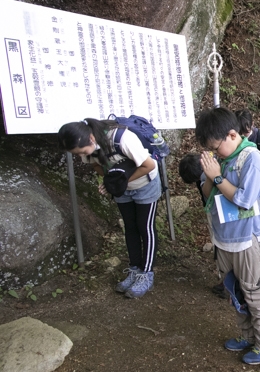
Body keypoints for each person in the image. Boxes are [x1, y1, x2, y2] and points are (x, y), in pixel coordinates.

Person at [196, 107, 260, 365]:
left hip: (247, 240)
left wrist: (217, 175)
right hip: (224, 239)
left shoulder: (251, 157)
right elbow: (209, 195)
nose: (214, 152)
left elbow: (244, 199)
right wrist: (210, 174)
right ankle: (247, 336)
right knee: (236, 292)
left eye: (215, 146)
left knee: (256, 293)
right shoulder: (224, 158)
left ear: (232, 135)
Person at [58, 118, 160, 299]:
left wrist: (120, 182)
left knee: (145, 228)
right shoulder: (87, 147)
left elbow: (149, 165)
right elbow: (97, 165)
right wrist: (110, 181)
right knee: (130, 228)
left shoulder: (122, 139)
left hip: (145, 185)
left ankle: (146, 273)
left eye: (81, 151)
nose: (80, 155)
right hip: (123, 191)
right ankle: (134, 270)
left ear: (90, 138)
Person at [178, 153, 228, 299]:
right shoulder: (216, 165)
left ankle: (226, 284)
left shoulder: (205, 180)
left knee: (221, 248)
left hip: (218, 215)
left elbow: (209, 200)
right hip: (228, 213)